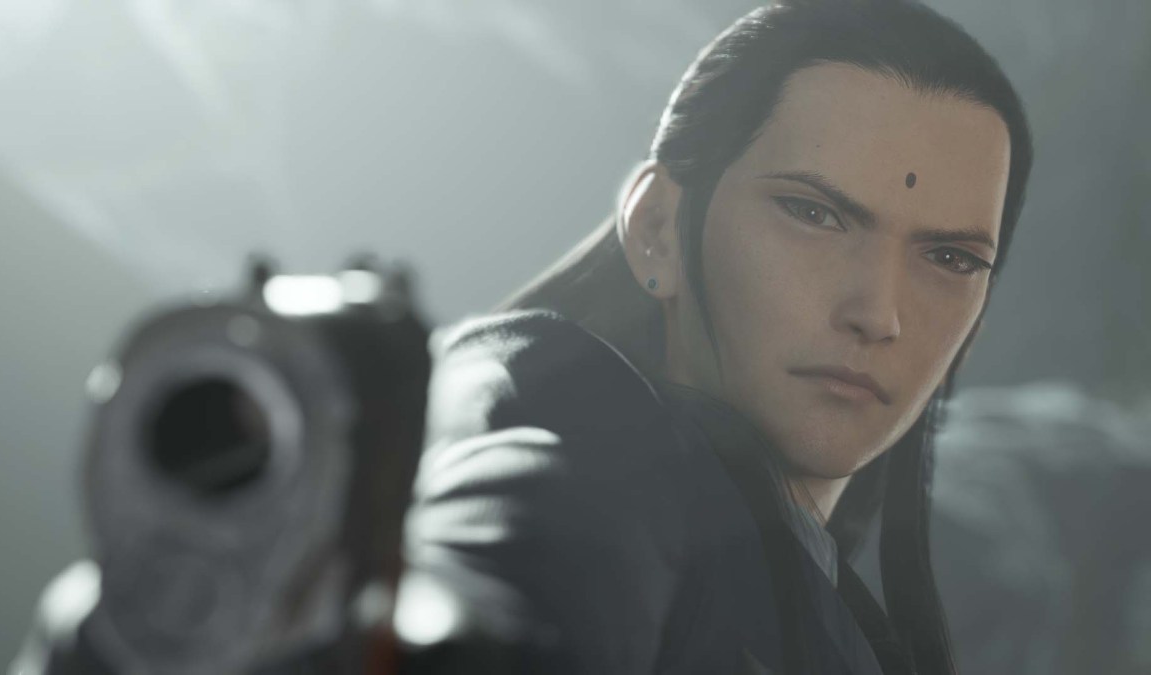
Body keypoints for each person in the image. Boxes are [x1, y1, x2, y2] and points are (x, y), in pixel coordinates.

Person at [401, 1, 1034, 674]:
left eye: (950, 259)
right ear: (658, 229)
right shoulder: (591, 471)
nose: (879, 314)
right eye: (812, 213)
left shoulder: (812, 590)